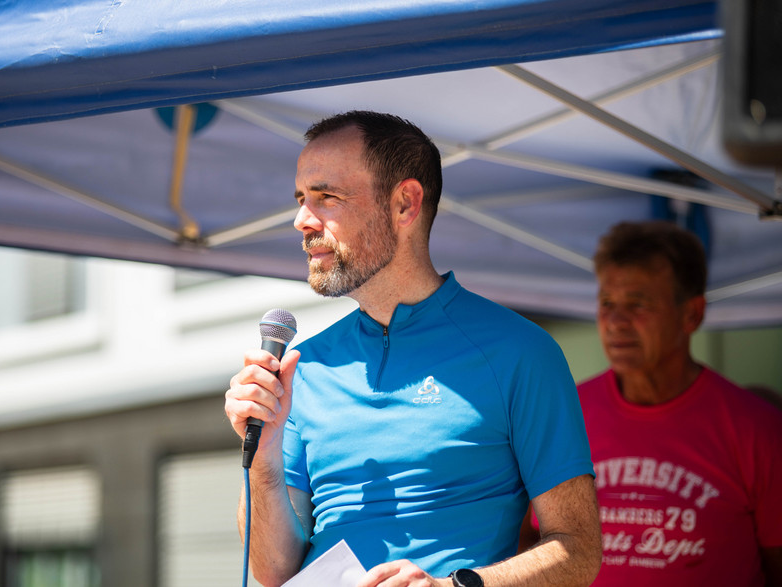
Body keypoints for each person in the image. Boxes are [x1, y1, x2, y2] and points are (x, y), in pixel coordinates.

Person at [225, 110, 601, 587]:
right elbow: (272, 569)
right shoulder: (304, 366)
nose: (301, 220)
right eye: (301, 199)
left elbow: (579, 549)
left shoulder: (520, 352)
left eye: (327, 197)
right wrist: (263, 460)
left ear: (404, 204)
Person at [520, 220, 782, 585]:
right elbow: (524, 542)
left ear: (692, 314)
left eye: (638, 304)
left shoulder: (758, 431)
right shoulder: (562, 414)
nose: (616, 321)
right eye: (607, 303)